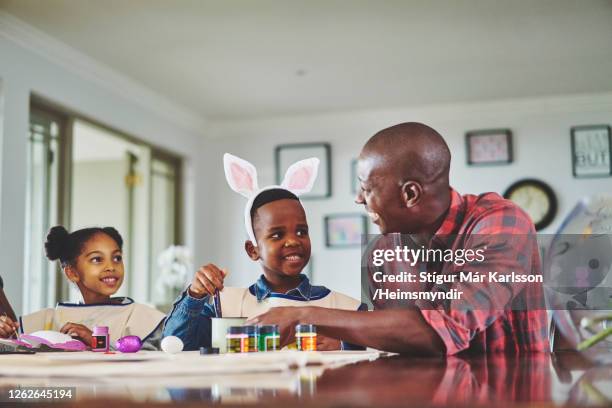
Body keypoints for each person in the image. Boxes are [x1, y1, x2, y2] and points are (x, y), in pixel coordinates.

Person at [248, 122, 549, 355]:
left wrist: (305, 314)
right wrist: (341, 340)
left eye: (366, 188)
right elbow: (396, 342)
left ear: (410, 194)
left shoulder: (502, 223)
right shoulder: (380, 250)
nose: (358, 199)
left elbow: (442, 330)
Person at [163, 153, 365, 350]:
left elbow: (380, 348)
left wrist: (342, 345)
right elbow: (175, 344)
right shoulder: (226, 306)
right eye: (277, 235)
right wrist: (196, 294)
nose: (293, 241)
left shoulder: (343, 307)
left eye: (301, 231)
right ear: (253, 250)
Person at [19, 226, 165, 350]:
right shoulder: (53, 317)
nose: (111, 267)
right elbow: (17, 340)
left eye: (117, 258)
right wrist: (6, 329)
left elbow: (147, 359)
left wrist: (95, 340)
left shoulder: (137, 315)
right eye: (97, 259)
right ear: (72, 272)